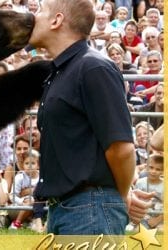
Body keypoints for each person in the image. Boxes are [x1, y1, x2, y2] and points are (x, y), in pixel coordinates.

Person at [28, 0, 135, 235]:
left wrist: (121, 194)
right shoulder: (62, 71)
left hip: (90, 211)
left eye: (39, 10)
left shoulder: (93, 68)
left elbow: (121, 148)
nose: (32, 16)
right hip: (67, 210)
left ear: (56, 20)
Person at [133, 154, 164, 231]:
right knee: (137, 231)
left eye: (158, 169)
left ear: (163, 171)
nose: (153, 171)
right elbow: (135, 203)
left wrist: (158, 219)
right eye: (151, 167)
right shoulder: (140, 183)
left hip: (160, 218)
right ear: (146, 167)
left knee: (161, 232)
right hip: (142, 217)